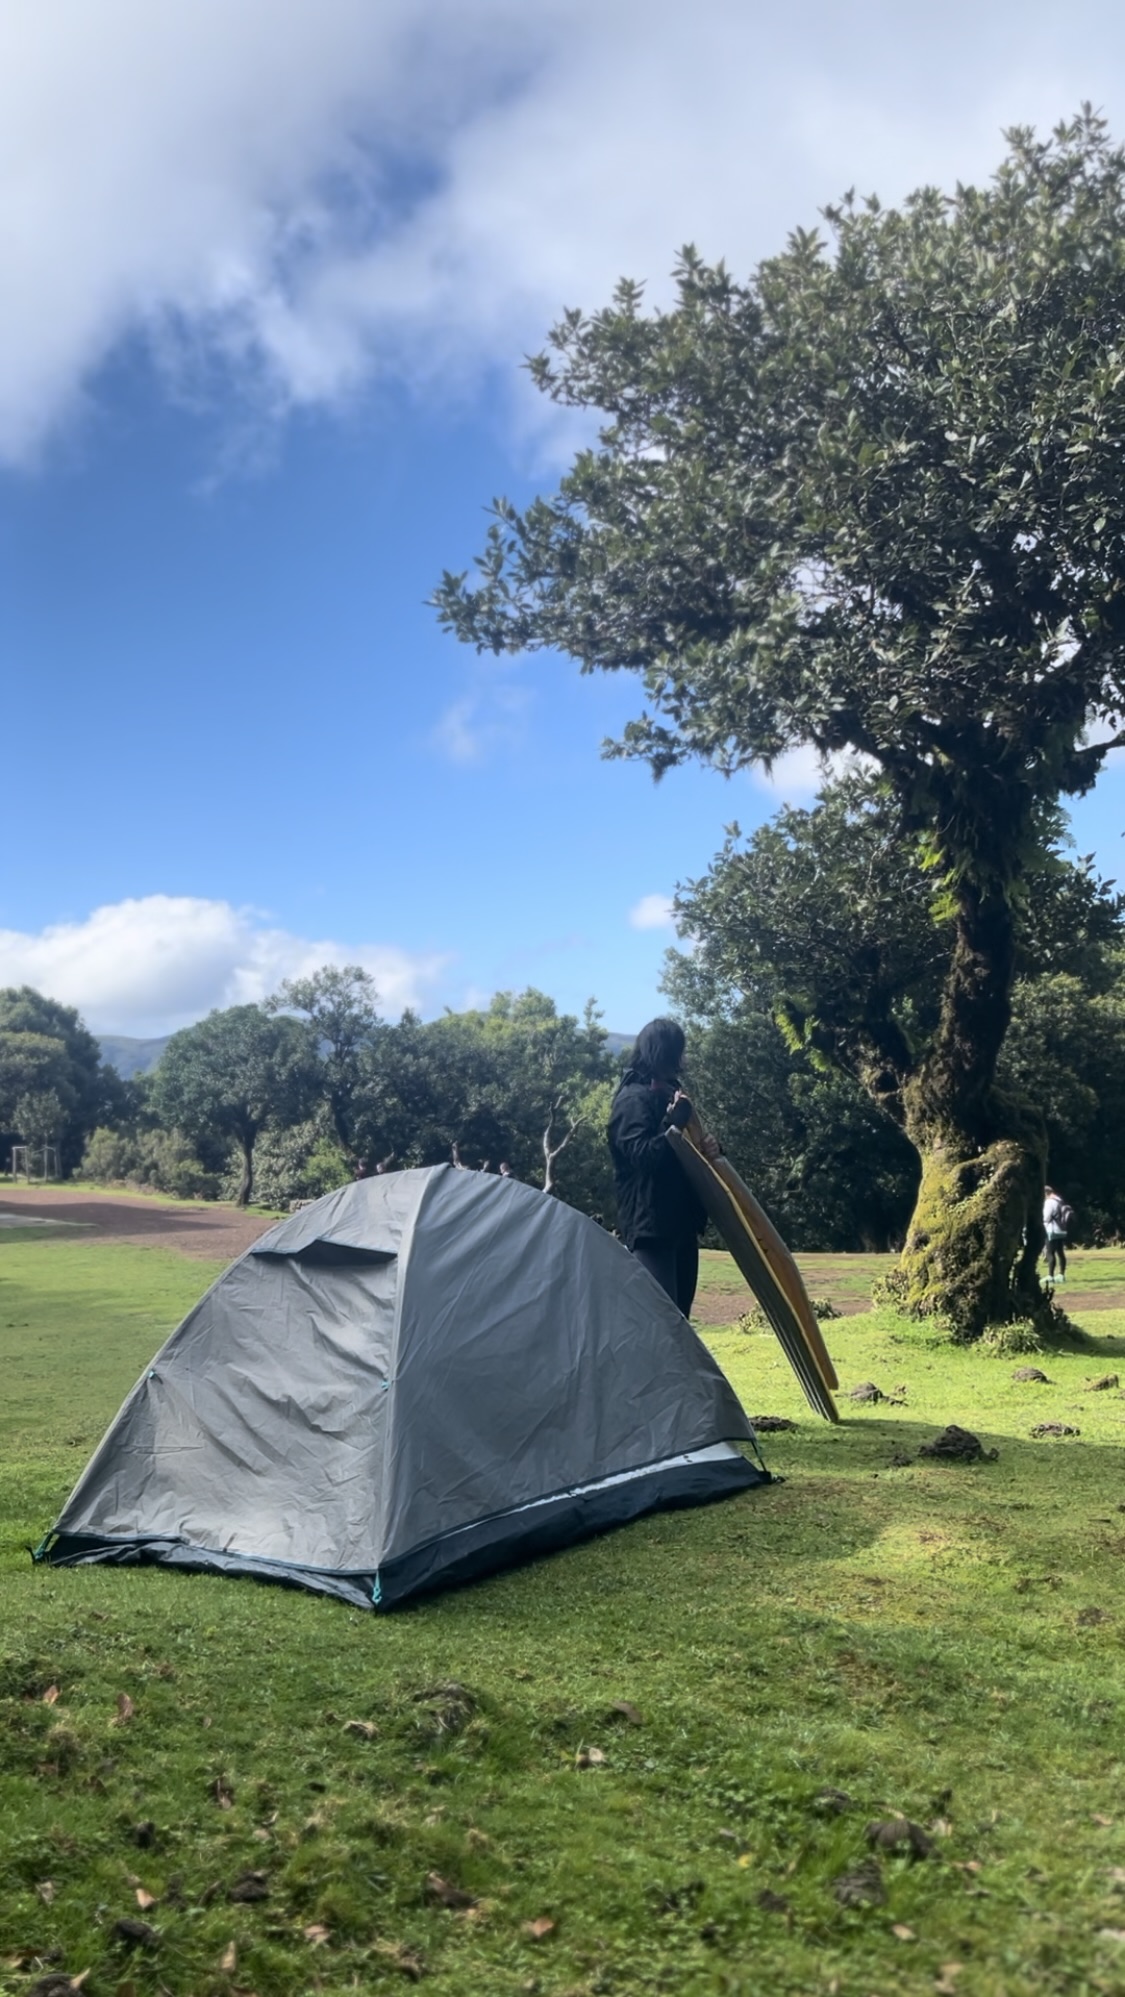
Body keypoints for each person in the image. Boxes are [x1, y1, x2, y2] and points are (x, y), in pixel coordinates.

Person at [607, 1016, 721, 1318]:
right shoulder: (631, 1100)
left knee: (680, 1321)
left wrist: (711, 1148)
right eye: (678, 1052)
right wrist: (673, 1124)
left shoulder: (671, 1094)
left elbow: (689, 1149)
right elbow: (643, 1156)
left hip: (680, 1224)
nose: (682, 1060)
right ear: (664, 1053)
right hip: (651, 1229)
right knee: (661, 1322)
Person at [1043, 1185, 1071, 1282]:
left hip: (1052, 1230)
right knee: (1060, 1252)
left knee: (1050, 1252)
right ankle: (1061, 1275)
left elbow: (1046, 1217)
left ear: (1046, 1193)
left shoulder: (1049, 1202)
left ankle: (1050, 1275)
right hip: (1062, 1229)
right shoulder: (1060, 1200)